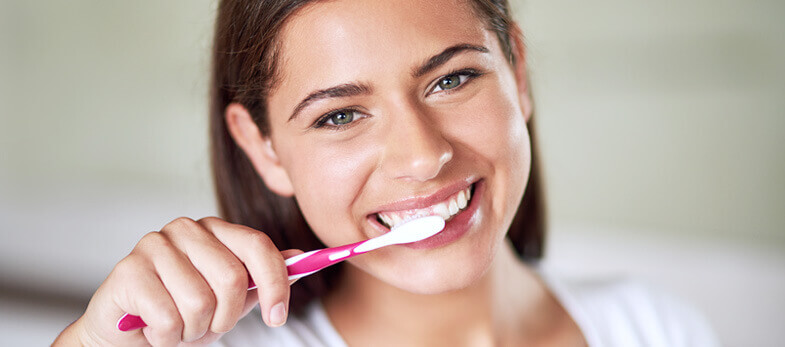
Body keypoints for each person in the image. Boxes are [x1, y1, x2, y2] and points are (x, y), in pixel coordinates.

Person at [55, 0, 719, 345]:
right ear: (263, 148)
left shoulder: (657, 328)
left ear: (516, 72)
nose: (421, 156)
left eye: (451, 79)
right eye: (340, 115)